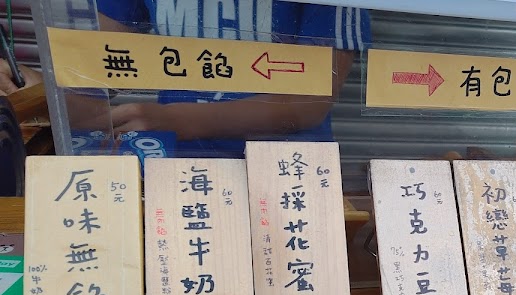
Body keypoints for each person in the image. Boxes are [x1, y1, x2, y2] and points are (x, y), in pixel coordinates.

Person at [0, 1, 370, 157]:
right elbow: (95, 73)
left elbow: (310, 103)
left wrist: (175, 120)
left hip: (285, 172)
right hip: (174, 168)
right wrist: (39, 90)